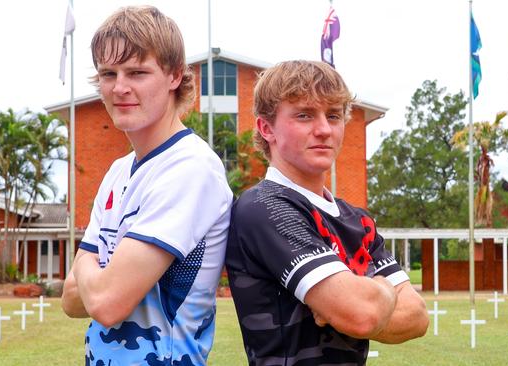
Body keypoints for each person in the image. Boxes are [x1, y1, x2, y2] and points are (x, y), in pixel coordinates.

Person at [60, 6, 233, 365]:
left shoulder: (190, 167)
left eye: (137, 72)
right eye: (108, 73)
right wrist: (104, 280)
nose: (119, 87)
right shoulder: (119, 171)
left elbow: (107, 305)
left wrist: (93, 266)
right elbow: (70, 299)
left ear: (174, 76)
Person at [225, 60, 428, 366]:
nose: (323, 129)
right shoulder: (264, 207)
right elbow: (361, 315)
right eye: (304, 115)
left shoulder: (357, 220)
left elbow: (416, 316)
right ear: (267, 128)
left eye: (333, 115)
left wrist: (356, 299)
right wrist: (381, 289)